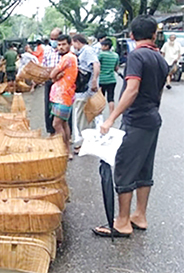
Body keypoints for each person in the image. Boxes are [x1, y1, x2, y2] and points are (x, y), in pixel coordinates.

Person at [94, 15, 169, 238]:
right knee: (144, 168)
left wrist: (111, 118)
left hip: (136, 121)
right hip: (152, 120)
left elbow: (132, 89)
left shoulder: (137, 56)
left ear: (132, 35)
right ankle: (140, 215)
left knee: (125, 168)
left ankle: (123, 222)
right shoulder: (160, 59)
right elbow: (159, 94)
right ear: (155, 35)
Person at [49, 34, 78, 157]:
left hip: (63, 96)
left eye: (63, 44)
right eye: (59, 44)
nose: (60, 47)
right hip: (61, 95)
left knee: (56, 124)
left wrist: (55, 76)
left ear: (70, 44)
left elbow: (52, 75)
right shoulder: (70, 57)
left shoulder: (67, 58)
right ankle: (67, 150)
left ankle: (64, 150)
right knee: (64, 123)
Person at [71, 34, 100, 149]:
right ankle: (88, 141)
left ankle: (85, 142)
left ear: (77, 42)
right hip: (83, 89)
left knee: (82, 115)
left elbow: (96, 64)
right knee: (85, 115)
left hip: (85, 89)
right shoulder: (84, 51)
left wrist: (94, 81)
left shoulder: (87, 51)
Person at [42, 28, 62, 134]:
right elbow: (44, 64)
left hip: (62, 82)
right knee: (48, 105)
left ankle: (64, 131)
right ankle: (50, 130)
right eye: (51, 38)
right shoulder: (47, 49)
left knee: (62, 106)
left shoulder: (65, 51)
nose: (53, 41)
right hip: (49, 81)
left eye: (55, 38)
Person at [98, 39, 120, 114]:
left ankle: (99, 113)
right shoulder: (115, 55)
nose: (101, 47)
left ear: (107, 46)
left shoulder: (101, 55)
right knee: (111, 98)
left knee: (101, 98)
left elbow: (97, 65)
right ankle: (111, 114)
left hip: (102, 79)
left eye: (102, 45)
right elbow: (116, 68)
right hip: (112, 79)